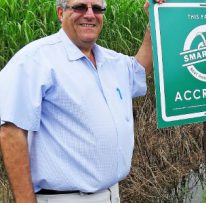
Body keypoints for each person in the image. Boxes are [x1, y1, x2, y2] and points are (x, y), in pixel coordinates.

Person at [0, 0, 164, 202]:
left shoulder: (111, 61)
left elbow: (139, 69)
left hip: (112, 194)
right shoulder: (35, 60)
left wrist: (154, 22)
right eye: (79, 7)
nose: (89, 14)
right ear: (61, 13)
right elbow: (11, 132)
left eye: (97, 9)